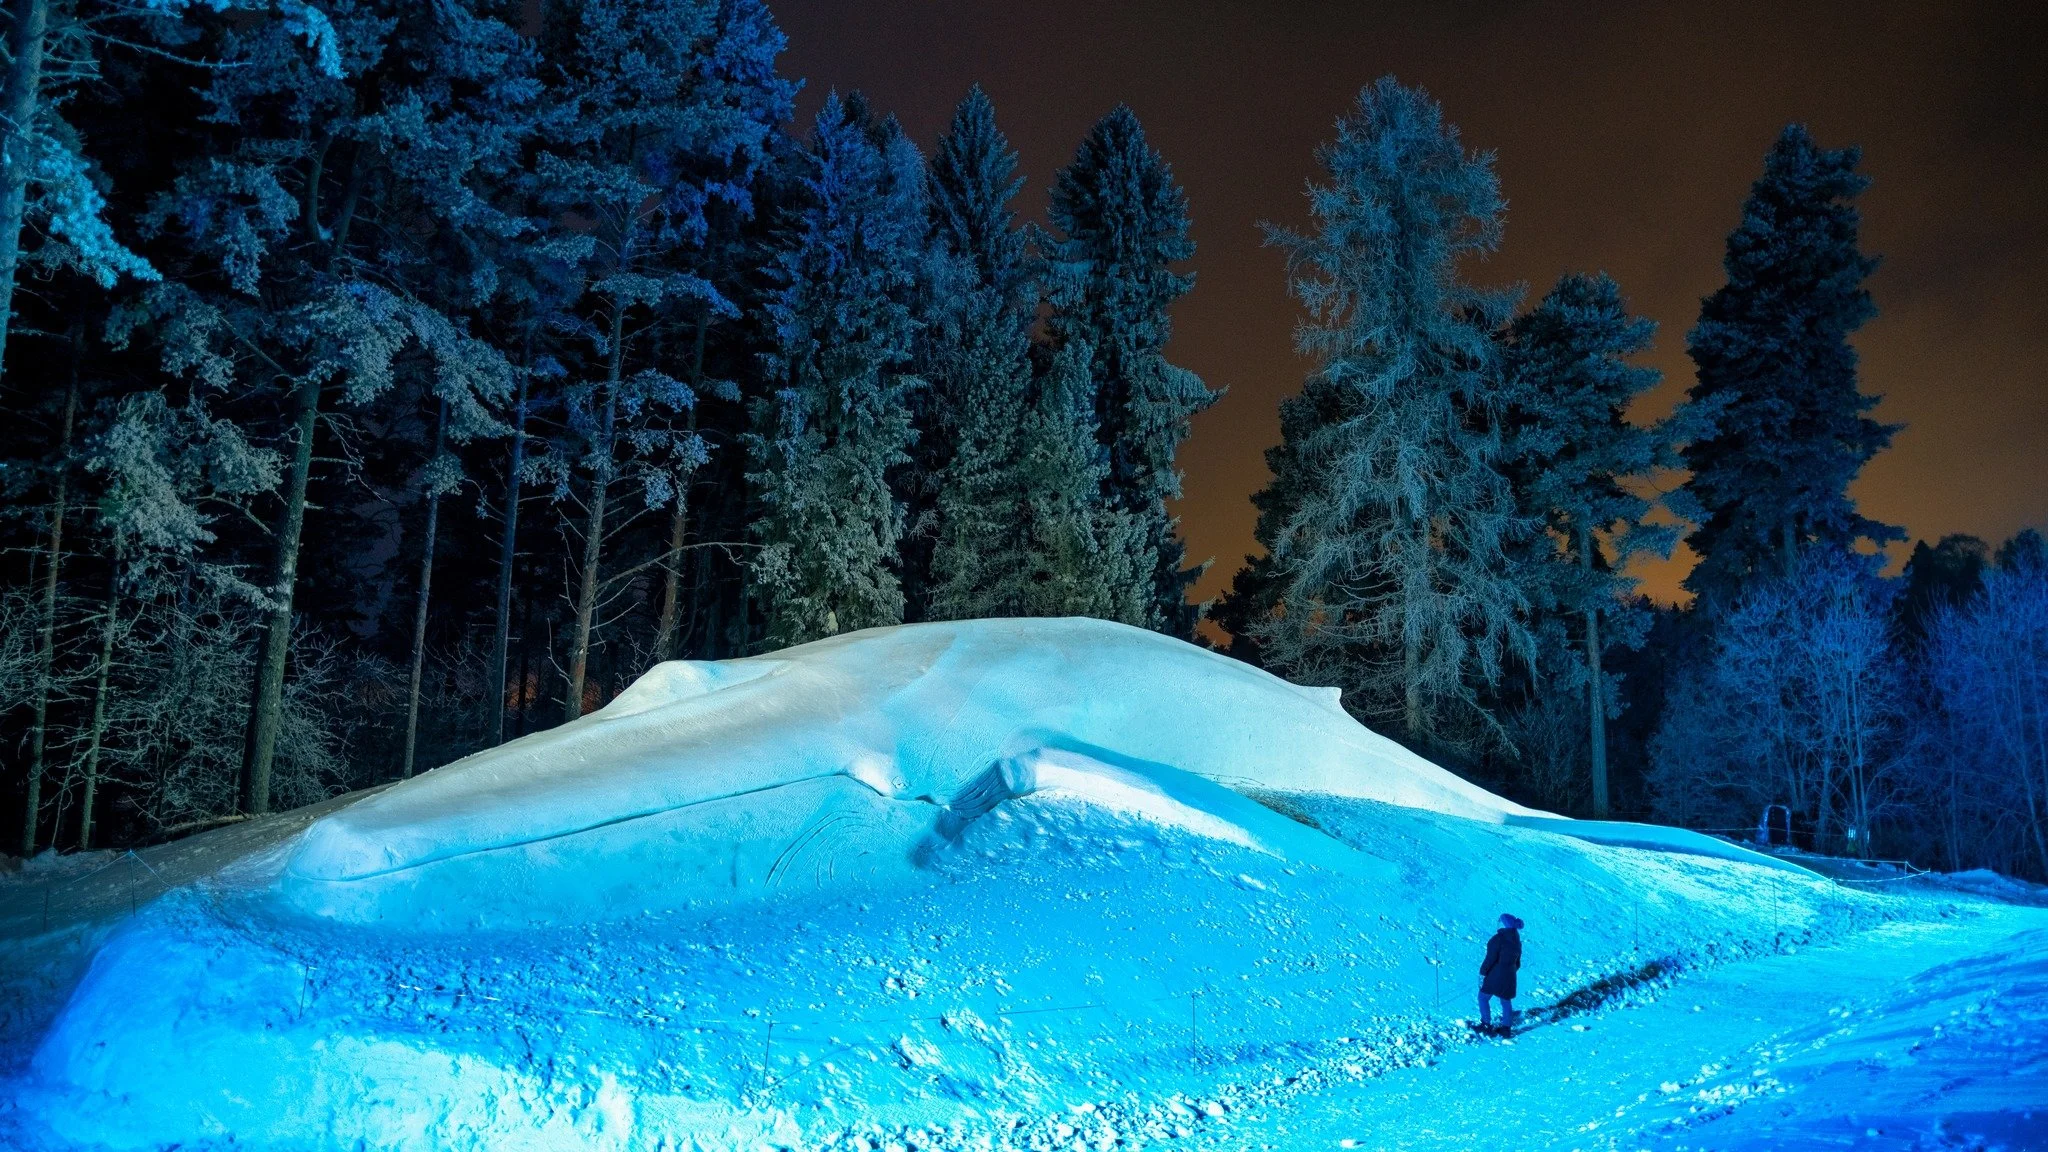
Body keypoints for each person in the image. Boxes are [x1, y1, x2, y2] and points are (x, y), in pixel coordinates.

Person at [1478, 913, 1523, 1034]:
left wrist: (1482, 973)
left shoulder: (1497, 939)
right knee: (1505, 1001)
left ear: (1503, 924)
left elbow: (1490, 959)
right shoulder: (1517, 941)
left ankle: (1486, 1024)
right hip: (1510, 976)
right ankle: (1506, 1029)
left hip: (1494, 975)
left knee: (1483, 998)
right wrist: (1509, 972)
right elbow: (1518, 963)